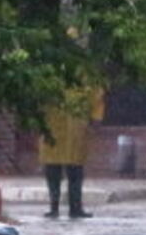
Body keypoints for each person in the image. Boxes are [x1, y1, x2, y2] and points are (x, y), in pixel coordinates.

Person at [39, 83, 104, 219]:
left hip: (75, 129)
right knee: (54, 171)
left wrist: (95, 119)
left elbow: (97, 98)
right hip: (54, 127)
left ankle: (74, 207)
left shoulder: (85, 74)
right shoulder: (49, 73)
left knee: (74, 171)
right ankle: (55, 207)